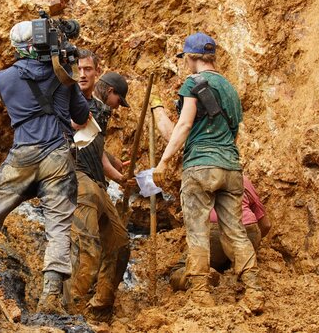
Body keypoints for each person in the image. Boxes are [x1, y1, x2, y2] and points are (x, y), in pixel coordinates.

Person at [0, 21, 89, 314]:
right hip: (57, 155)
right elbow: (81, 115)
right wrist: (67, 71)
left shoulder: (4, 78)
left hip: (22, 154)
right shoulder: (61, 75)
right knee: (58, 225)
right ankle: (50, 296)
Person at [151, 32, 264, 313]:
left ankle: (200, 293)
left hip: (200, 165)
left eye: (185, 59)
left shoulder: (193, 83)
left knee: (198, 231)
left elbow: (185, 126)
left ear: (190, 57)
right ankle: (253, 290)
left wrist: (164, 162)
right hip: (231, 167)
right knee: (235, 230)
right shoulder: (230, 89)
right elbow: (233, 132)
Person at [65, 50, 132, 321]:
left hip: (97, 184)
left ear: (96, 73)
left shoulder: (99, 108)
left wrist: (117, 176)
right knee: (87, 251)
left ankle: (99, 310)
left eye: (88, 69)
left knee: (120, 244)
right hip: (78, 179)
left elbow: (95, 146)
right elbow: (69, 129)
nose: (82, 74)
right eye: (78, 69)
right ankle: (67, 315)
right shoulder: (68, 99)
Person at [167, 174, 271, 290]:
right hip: (248, 229)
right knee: (233, 260)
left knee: (178, 271)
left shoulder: (198, 176)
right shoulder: (242, 178)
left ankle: (205, 276)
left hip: (215, 230)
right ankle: (235, 270)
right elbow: (266, 225)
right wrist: (251, 245)